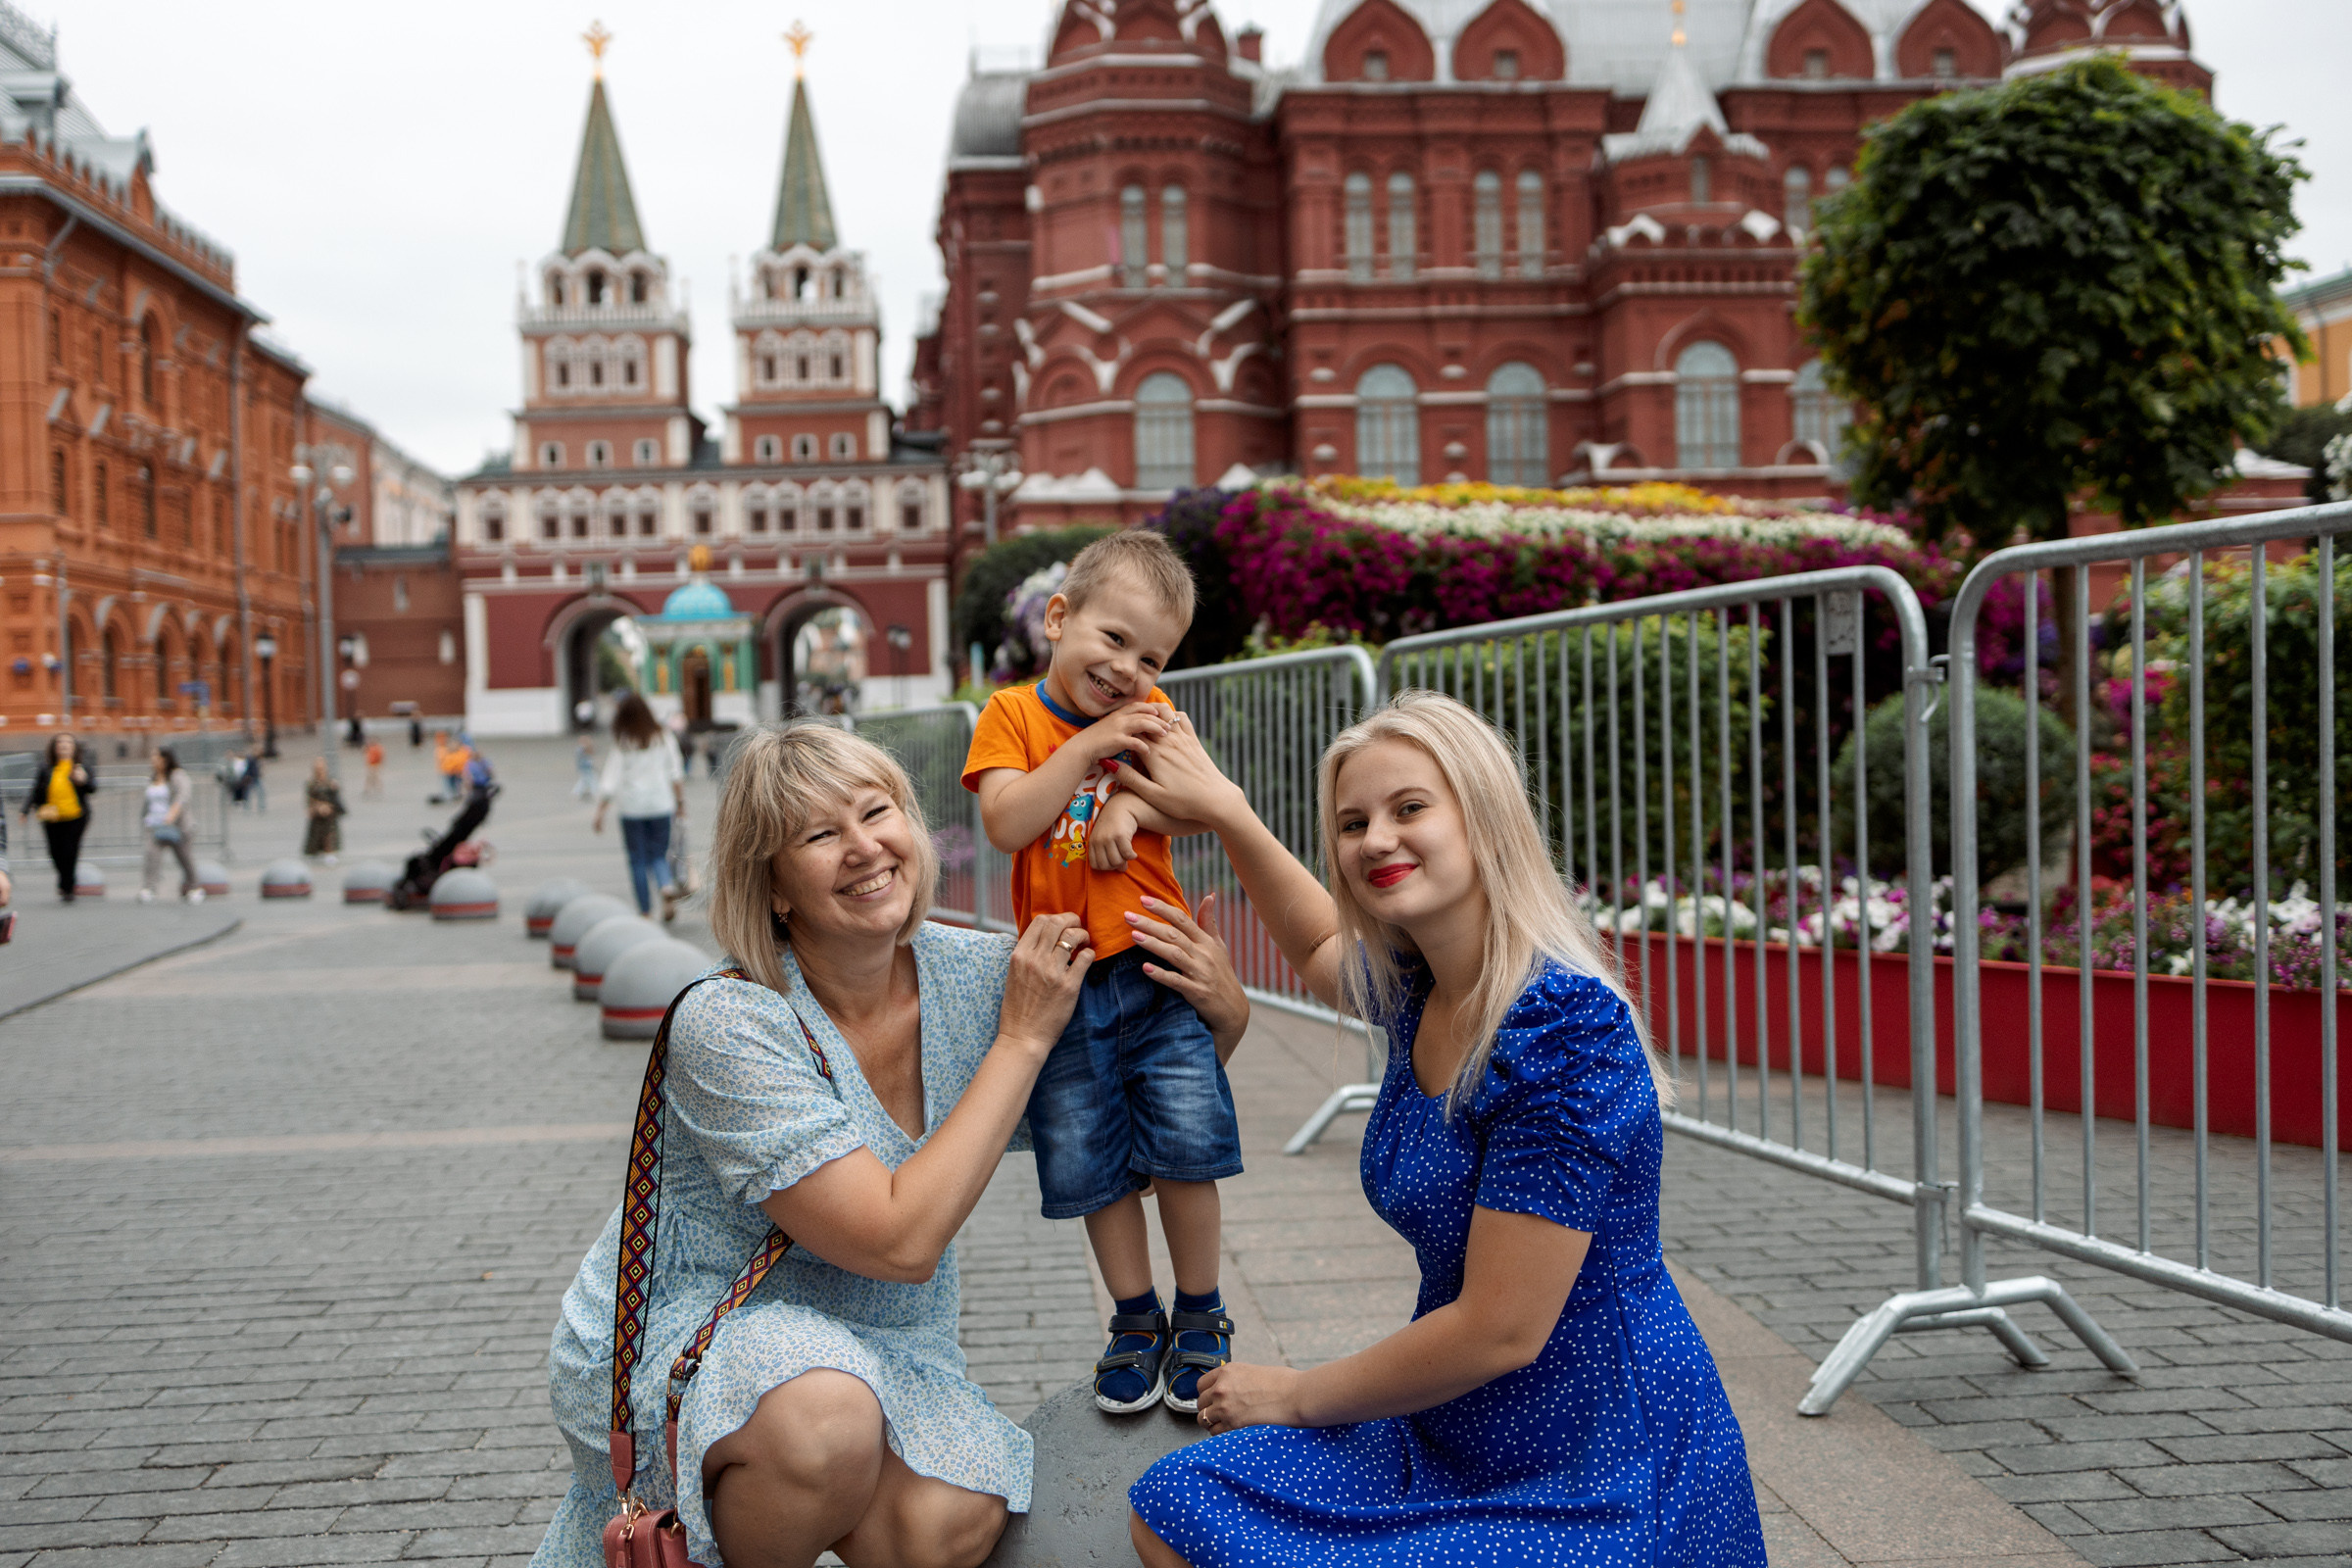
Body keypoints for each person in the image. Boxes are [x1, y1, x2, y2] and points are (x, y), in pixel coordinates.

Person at [529, 723, 1250, 1568]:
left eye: (879, 813)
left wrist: (1223, 1019)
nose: (865, 848)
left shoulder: (982, 977)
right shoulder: (729, 1021)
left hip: (890, 1341)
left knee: (952, 1523)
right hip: (700, 1330)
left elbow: (1135, 1131)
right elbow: (897, 1241)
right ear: (772, 888)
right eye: (820, 834)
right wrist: (1020, 1041)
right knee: (824, 1427)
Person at [1116, 692, 1766, 1567]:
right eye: (1352, 823)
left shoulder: (1563, 1032)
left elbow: (1504, 1327)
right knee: (1175, 1505)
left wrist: (1298, 1394)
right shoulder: (1424, 987)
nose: (1375, 839)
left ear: (1485, 820)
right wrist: (1228, 813)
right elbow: (1317, 948)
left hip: (1598, 1464)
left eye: (1409, 808)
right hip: (1454, 1425)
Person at [960, 530, 1239, 1418]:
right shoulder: (1012, 715)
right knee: (1091, 1158)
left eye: (1151, 656)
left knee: (1190, 1144)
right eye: (1112, 641)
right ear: (1058, 619)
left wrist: (1131, 795)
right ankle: (1132, 1318)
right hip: (1066, 981)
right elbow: (1008, 819)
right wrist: (1089, 753)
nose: (1128, 670)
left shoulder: (1160, 721)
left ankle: (1202, 1314)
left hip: (1156, 964)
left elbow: (1201, 805)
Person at [590, 691, 686, 919]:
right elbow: (675, 772)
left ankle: (645, 911)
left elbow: (610, 781)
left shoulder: (624, 741)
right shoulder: (663, 736)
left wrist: (600, 812)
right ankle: (666, 886)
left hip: (631, 808)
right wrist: (681, 803)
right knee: (659, 854)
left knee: (637, 860)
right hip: (661, 804)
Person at [20, 732, 94, 903]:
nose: (64, 746)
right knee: (55, 851)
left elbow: (92, 788)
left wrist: (82, 780)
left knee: (70, 850)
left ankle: (67, 886)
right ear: (54, 747)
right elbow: (36, 790)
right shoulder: (46, 767)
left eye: (68, 743)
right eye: (60, 743)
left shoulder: (80, 767)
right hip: (51, 816)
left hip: (76, 816)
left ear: (74, 747)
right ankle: (65, 878)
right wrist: (25, 810)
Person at [139, 748, 202, 904]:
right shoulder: (153, 778)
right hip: (154, 825)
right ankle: (149, 888)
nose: (152, 761)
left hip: (178, 826)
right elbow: (148, 801)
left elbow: (183, 796)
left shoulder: (177, 776)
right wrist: (145, 818)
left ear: (165, 759)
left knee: (185, 858)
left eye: (155, 757)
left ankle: (195, 888)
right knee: (151, 857)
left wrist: (172, 814)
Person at [303, 756, 347, 862]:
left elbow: (336, 800)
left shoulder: (331, 782)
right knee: (316, 833)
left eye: (321, 767)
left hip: (329, 815)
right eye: (317, 768)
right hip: (317, 815)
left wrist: (329, 805)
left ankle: (330, 851)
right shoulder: (311, 783)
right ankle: (315, 851)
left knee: (329, 833)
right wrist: (317, 807)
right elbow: (309, 800)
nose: (319, 770)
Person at [571, 733, 598, 801]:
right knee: (592, 780)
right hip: (585, 768)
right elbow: (586, 755)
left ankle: (576, 792)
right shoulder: (581, 749)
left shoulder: (581, 749)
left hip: (586, 767)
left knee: (584, 781)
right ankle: (595, 792)